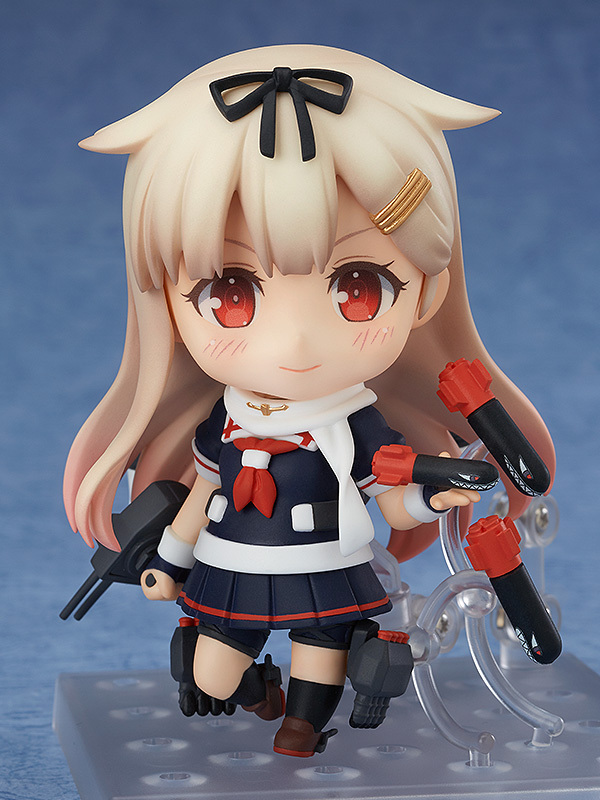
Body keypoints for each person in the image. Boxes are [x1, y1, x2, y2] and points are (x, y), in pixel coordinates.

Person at [63, 45, 555, 756]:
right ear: (166, 305)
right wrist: (169, 559)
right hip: (233, 560)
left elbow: (390, 496)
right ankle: (257, 693)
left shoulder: (354, 422)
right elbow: (203, 491)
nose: (295, 341)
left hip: (325, 559)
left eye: (358, 288)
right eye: (230, 295)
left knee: (320, 655)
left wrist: (431, 497)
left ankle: (302, 724)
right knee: (211, 672)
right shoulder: (226, 421)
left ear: (427, 291)